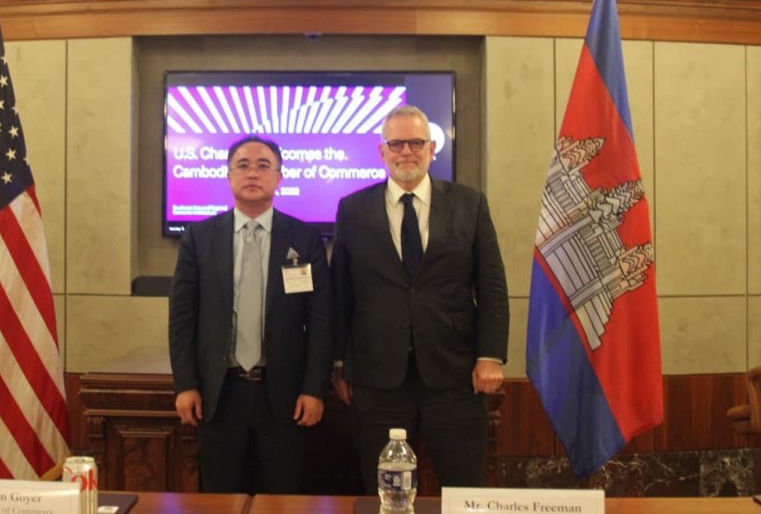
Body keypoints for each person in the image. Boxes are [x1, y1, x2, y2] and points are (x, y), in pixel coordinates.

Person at [330, 105, 509, 491]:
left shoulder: (469, 203)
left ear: (431, 148)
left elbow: (492, 286)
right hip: (377, 379)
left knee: (464, 489)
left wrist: (491, 355)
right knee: (386, 492)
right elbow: (341, 292)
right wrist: (340, 361)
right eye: (396, 144)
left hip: (456, 375)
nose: (406, 152)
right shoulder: (353, 209)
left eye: (415, 142)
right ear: (382, 152)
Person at [169, 135, 333, 494]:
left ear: (279, 177)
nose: (253, 173)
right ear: (229, 176)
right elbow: (182, 318)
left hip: (284, 397)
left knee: (282, 499)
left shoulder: (304, 238)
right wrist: (186, 384)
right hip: (218, 394)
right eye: (243, 165)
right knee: (221, 498)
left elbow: (321, 321)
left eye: (263, 166)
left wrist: (314, 389)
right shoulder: (200, 237)